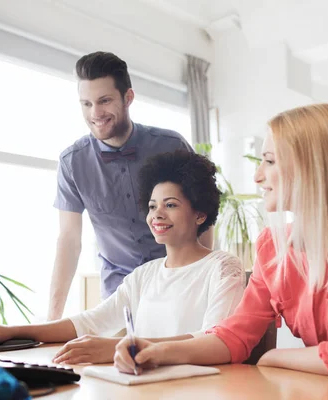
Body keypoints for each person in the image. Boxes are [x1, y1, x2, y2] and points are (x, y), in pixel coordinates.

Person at [113, 104, 328, 400]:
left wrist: (273, 358)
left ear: (314, 166)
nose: (258, 176)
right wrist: (157, 351)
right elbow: (233, 335)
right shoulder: (272, 245)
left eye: (269, 161)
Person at [0, 151, 245, 365]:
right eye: (152, 205)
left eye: (170, 205)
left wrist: (126, 346)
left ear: (199, 214)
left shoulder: (222, 268)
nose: (157, 214)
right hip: (143, 388)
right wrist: (10, 330)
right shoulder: (145, 275)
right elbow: (90, 322)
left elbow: (213, 339)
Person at [48, 51, 213, 320]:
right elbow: (68, 240)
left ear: (128, 98)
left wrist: (203, 278)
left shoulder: (171, 146)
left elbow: (202, 218)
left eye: (104, 101)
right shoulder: (72, 162)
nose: (95, 113)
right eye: (86, 104)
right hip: (119, 295)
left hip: (180, 285)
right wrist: (52, 320)